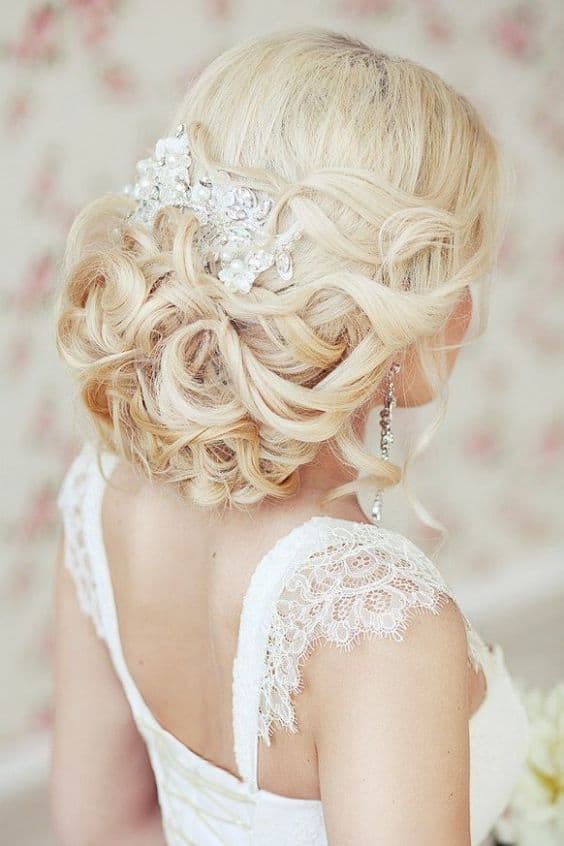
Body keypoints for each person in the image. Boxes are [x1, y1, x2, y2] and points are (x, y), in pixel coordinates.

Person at [50, 26, 530, 846]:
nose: (468, 311)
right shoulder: (376, 624)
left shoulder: (101, 493)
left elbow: (100, 828)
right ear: (391, 315)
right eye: (459, 271)